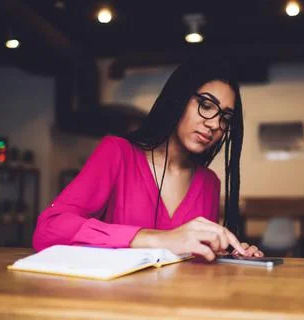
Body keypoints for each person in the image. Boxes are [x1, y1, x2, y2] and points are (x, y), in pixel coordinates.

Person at [33, 57, 263, 261]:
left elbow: (194, 263)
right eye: (205, 105)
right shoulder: (117, 153)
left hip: (182, 306)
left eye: (225, 118)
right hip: (117, 304)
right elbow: (49, 228)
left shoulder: (208, 182)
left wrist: (227, 253)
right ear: (178, 99)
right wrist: (160, 239)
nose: (215, 124)